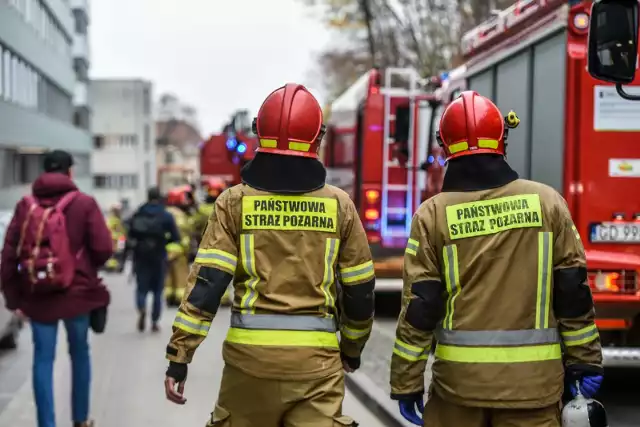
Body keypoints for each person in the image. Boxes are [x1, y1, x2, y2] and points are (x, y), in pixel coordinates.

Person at [163, 83, 375, 427]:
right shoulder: (340, 206)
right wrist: (351, 348)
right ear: (316, 139)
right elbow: (359, 290)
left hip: (249, 365)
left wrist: (179, 356)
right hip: (316, 367)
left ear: (260, 135)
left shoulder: (233, 202)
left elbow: (207, 286)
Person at [389, 91, 603, 427]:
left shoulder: (432, 215)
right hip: (534, 392)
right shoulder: (547, 203)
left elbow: (420, 307)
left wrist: (406, 382)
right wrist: (585, 362)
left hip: (457, 392)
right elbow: (573, 293)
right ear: (502, 140)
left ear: (444, 148)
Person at [0, 150, 113, 427]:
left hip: (39, 296)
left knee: (42, 359)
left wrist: (14, 298)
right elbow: (103, 249)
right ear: (70, 172)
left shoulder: (26, 206)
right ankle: (80, 419)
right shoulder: (84, 203)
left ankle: (46, 424)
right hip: (77, 295)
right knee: (79, 353)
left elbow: (9, 255)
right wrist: (83, 267)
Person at [128, 187, 180, 332]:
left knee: (141, 288)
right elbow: (176, 237)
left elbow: (130, 235)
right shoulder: (165, 215)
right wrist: (166, 241)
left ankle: (141, 308)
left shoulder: (138, 214)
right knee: (158, 290)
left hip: (141, 256)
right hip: (159, 255)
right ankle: (154, 321)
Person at [163, 185, 195, 307]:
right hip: (179, 251)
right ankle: (179, 298)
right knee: (181, 276)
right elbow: (185, 233)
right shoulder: (179, 215)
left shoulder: (167, 212)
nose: (188, 202)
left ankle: (169, 296)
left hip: (166, 251)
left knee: (169, 277)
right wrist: (189, 249)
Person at [105, 203, 126, 272]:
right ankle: (112, 266)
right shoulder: (112, 219)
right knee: (114, 253)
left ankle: (116, 265)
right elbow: (110, 229)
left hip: (120, 239)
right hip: (115, 239)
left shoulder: (118, 219)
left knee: (119, 253)